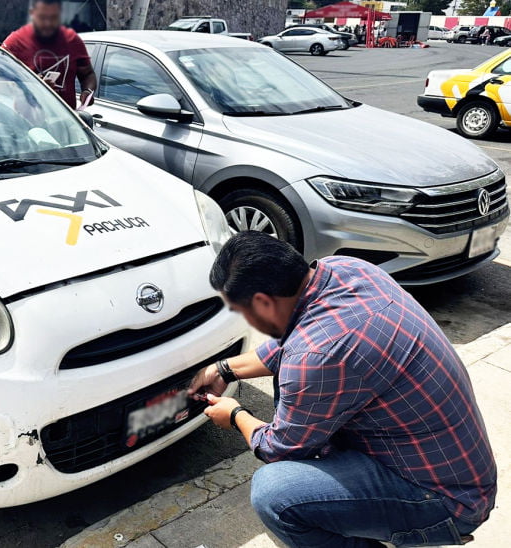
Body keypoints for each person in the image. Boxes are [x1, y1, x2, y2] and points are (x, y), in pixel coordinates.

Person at [188, 232, 496, 548]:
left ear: (264, 303)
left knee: (275, 494)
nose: (245, 320)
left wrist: (236, 414)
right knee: (295, 394)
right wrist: (223, 369)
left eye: (241, 311)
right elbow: (293, 345)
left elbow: (279, 448)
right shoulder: (346, 270)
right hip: (460, 473)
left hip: (444, 501)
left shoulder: (315, 356)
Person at [3, 0, 97, 109]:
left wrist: (87, 92)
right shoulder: (15, 42)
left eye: (53, 18)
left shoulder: (72, 40)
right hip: (27, 119)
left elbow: (88, 74)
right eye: (42, 17)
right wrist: (33, 85)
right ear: (32, 13)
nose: (48, 23)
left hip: (64, 119)